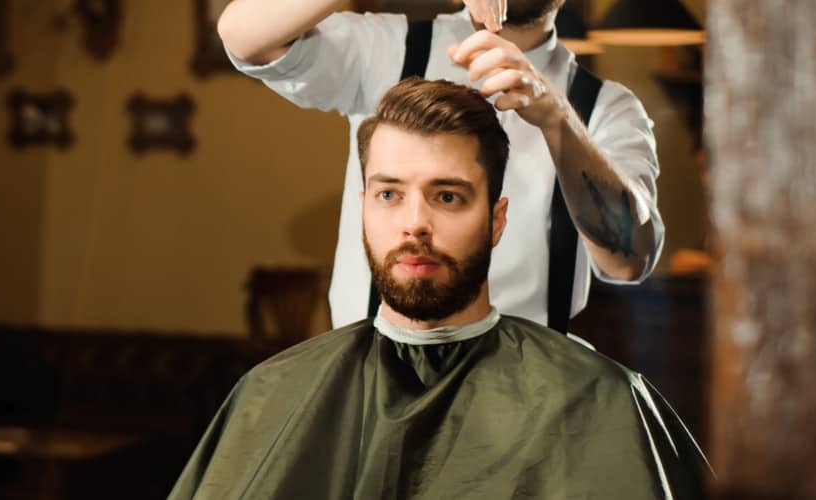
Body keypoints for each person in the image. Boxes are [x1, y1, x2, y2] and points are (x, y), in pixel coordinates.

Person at [167, 79, 708, 500]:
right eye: (389, 195)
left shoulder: (596, 400)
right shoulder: (269, 396)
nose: (415, 223)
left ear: (497, 221)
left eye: (447, 197)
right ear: (363, 209)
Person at [218, 0, 665, 333]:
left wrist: (556, 118)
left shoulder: (607, 108)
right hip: (373, 391)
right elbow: (243, 35)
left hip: (528, 404)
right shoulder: (386, 48)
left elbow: (629, 261)